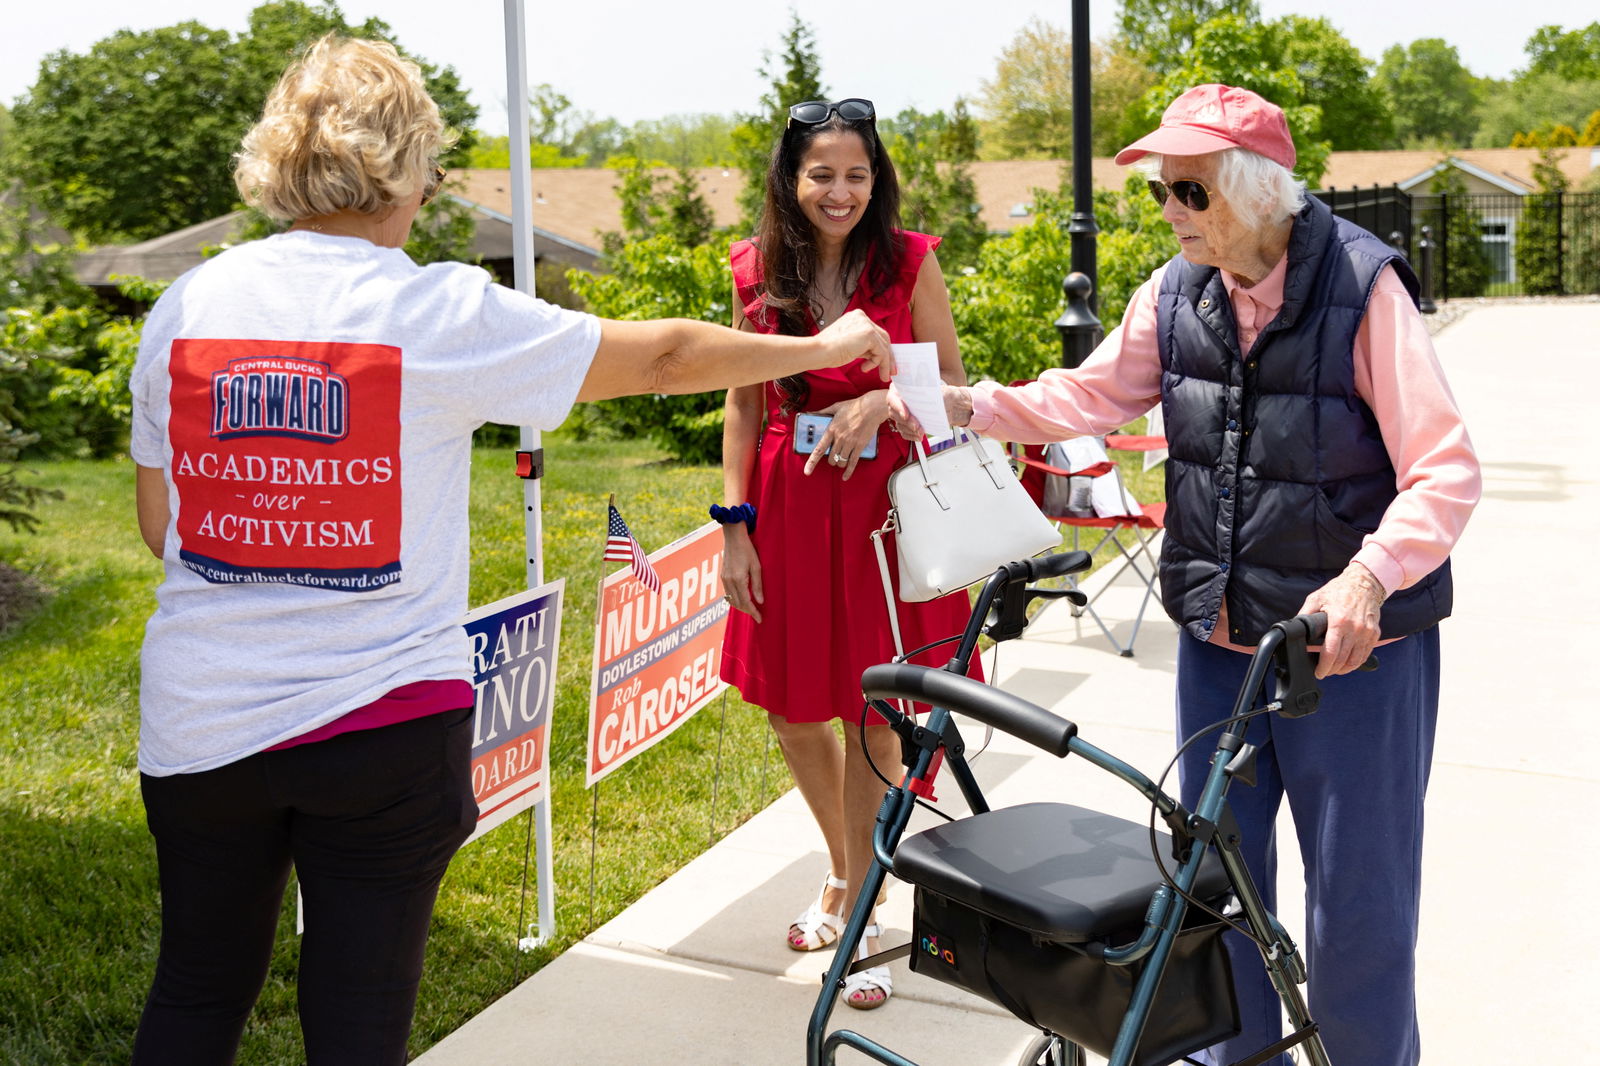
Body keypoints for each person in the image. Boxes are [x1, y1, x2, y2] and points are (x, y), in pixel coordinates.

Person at [127, 37, 893, 1066]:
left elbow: (157, 522)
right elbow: (662, 354)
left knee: (195, 992)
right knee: (355, 1024)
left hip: (201, 720)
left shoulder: (189, 306)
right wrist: (820, 347)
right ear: (405, 170)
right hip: (380, 725)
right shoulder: (428, 309)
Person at [890, 84, 1480, 1065]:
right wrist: (969, 403)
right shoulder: (1172, 293)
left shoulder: (1362, 289)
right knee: (1210, 901)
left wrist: (1369, 576)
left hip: (1349, 662)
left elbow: (1444, 467)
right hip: (1218, 649)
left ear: (1257, 193)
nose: (1170, 211)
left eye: (1189, 192)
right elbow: (1087, 394)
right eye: (1163, 191)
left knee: (1358, 920)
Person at [716, 97, 978, 1010]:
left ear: (878, 179)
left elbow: (950, 384)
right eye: (822, 173)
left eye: (857, 174)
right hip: (788, 505)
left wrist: (882, 404)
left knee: (872, 712)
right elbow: (742, 401)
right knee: (794, 707)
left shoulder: (909, 260)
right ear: (792, 180)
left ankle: (860, 904)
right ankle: (848, 868)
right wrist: (733, 524)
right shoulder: (755, 269)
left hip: (883, 512)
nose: (840, 191)